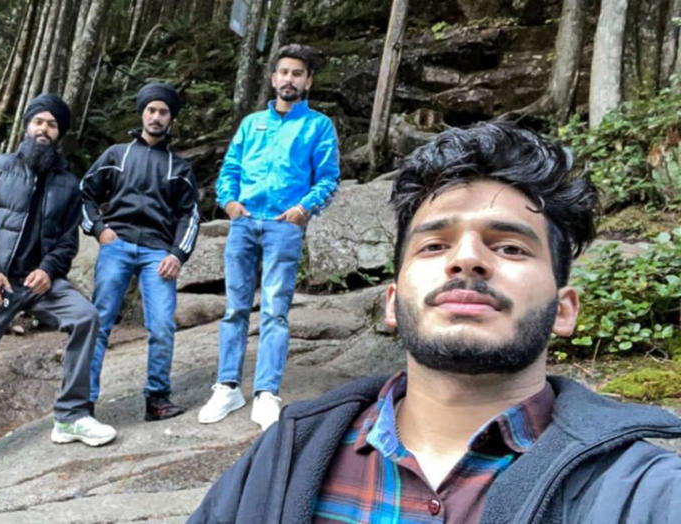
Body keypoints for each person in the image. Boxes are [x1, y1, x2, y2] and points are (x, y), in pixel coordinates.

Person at [188, 122, 681, 523]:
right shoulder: (284, 459)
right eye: (434, 245)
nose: (467, 260)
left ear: (565, 309)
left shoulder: (644, 491)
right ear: (392, 301)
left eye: (510, 247)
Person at [0, 94, 116, 488]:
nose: (43, 130)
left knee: (85, 317)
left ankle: (70, 416)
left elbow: (67, 241)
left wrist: (49, 270)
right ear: (26, 125)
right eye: (38, 122)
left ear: (59, 133)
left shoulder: (68, 182)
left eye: (52, 125)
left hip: (39, 283)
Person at [198, 43, 340, 431]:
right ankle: (228, 386)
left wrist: (303, 208)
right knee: (234, 308)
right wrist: (228, 202)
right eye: (284, 73)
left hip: (284, 226)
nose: (289, 79)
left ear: (308, 81)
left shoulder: (318, 126)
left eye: (298, 73)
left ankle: (266, 392)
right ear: (274, 78)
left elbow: (328, 178)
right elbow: (229, 168)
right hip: (244, 223)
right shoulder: (251, 124)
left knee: (275, 311)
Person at [80, 82, 199, 421]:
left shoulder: (180, 166)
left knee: (162, 325)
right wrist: (99, 229)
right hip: (117, 246)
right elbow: (84, 193)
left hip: (158, 254)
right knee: (99, 322)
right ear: (142, 113)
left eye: (163, 112)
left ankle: (157, 399)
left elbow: (190, 214)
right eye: (151, 110)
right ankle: (84, 403)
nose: (156, 117)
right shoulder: (117, 155)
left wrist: (178, 253)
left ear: (171, 119)